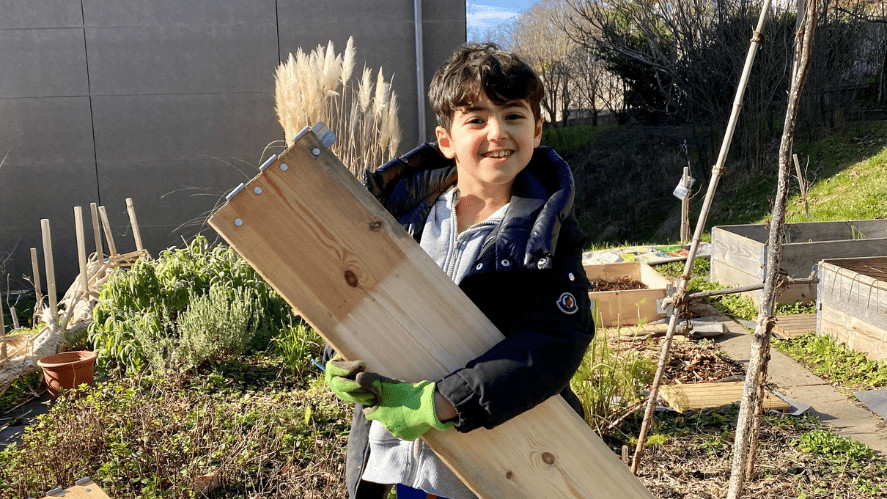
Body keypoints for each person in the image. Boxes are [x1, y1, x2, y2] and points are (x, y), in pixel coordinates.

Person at [324, 42, 595, 499]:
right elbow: (355, 296)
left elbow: (555, 341)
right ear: (446, 139)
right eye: (476, 119)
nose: (498, 132)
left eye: (513, 115)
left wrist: (441, 402)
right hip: (400, 459)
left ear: (537, 130)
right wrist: (341, 355)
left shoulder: (548, 232)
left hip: (485, 469)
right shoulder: (396, 218)